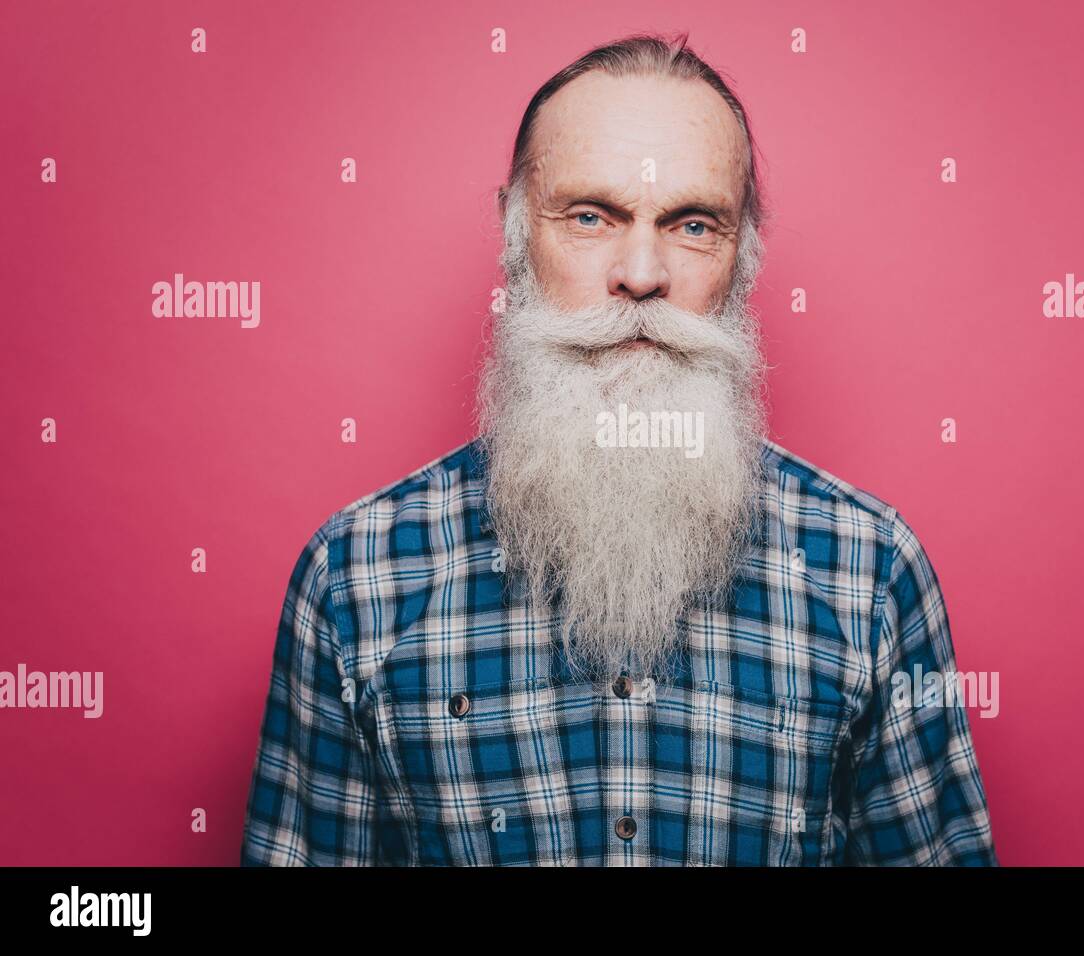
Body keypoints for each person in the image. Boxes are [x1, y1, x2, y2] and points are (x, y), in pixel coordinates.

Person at [240, 32, 997, 866]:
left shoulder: (871, 570)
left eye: (694, 223)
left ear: (741, 258)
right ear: (515, 233)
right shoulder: (354, 577)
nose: (642, 273)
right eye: (591, 216)